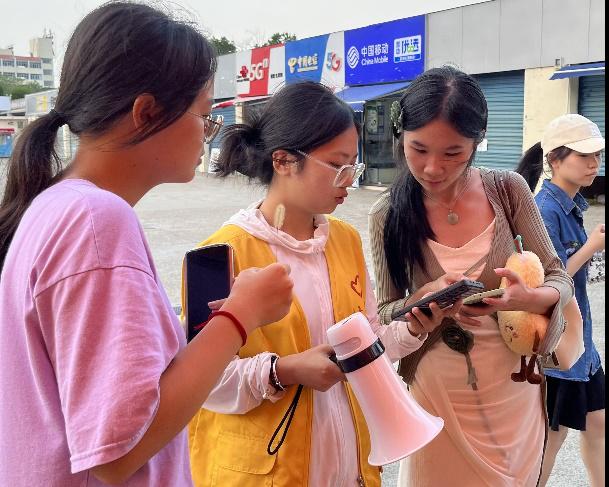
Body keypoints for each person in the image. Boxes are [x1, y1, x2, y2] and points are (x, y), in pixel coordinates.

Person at [0, 3, 293, 486]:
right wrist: (241, 316)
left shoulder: (53, 207)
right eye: (204, 115)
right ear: (146, 113)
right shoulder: (96, 221)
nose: (207, 134)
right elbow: (117, 451)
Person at [184, 81, 461, 487]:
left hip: (348, 468)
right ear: (284, 161)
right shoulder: (216, 257)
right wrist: (283, 371)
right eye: (337, 165)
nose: (349, 180)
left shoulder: (343, 240)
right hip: (265, 474)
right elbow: (200, 385)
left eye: (355, 166)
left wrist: (414, 324)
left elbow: (367, 347)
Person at [368, 66, 575, 487]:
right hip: (437, 395)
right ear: (400, 136)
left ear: (477, 142)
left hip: (512, 388)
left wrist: (530, 299)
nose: (432, 168)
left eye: (452, 153)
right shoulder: (388, 214)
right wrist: (421, 300)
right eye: (418, 149)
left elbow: (559, 277)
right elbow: (385, 312)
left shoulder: (508, 190)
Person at [516, 114, 605, 487]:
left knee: (599, 423)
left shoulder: (571, 203)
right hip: (560, 346)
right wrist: (592, 246)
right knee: (553, 436)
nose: (593, 163)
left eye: (597, 155)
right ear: (554, 158)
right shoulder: (544, 210)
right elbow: (549, 281)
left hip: (581, 343)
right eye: (584, 156)